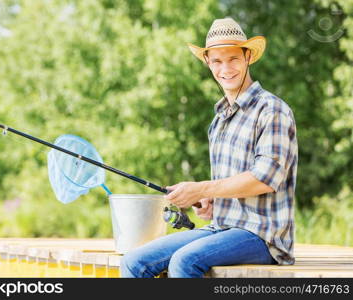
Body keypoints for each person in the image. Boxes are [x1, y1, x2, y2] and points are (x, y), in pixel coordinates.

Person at [121, 17, 298, 278]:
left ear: (248, 56)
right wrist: (210, 201)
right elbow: (230, 185)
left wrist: (201, 188)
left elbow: (264, 179)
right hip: (221, 228)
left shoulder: (272, 110)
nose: (225, 68)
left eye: (233, 58)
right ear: (207, 62)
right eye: (216, 60)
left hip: (262, 236)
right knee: (133, 262)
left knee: (184, 262)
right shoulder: (219, 119)